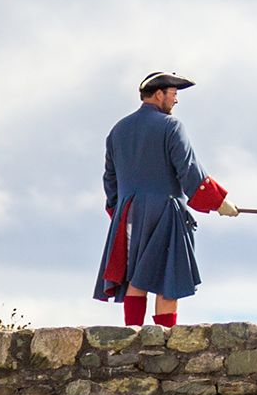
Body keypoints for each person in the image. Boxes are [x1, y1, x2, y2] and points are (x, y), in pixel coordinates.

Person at [94, 71, 236, 327]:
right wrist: (219, 202)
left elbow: (109, 180)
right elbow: (189, 169)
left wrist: (118, 212)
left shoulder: (117, 131)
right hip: (164, 211)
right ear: (159, 94)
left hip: (127, 216)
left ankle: (133, 336)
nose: (176, 101)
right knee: (168, 280)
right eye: (173, 94)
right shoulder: (172, 126)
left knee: (136, 280)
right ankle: (165, 340)